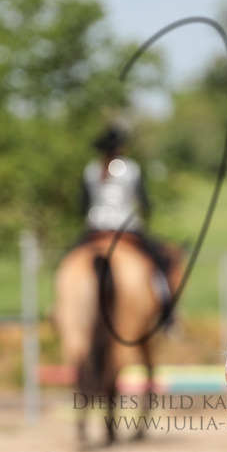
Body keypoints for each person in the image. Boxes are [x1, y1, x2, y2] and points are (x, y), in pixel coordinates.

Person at [80, 126, 176, 323]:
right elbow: (143, 201)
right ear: (120, 147)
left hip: (95, 229)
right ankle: (166, 309)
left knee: (69, 257)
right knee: (160, 262)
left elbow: (82, 204)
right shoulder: (130, 168)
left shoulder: (90, 170)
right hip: (127, 228)